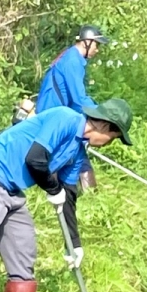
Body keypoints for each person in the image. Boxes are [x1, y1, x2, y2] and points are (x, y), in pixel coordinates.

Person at [0, 98, 132, 292]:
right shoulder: (65, 118)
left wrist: (74, 243)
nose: (109, 144)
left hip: (12, 188)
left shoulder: (78, 151)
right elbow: (35, 158)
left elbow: (68, 195)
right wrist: (53, 188)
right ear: (104, 126)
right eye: (113, 138)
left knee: (24, 248)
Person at [36, 25, 105, 187]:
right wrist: (101, 114)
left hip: (59, 111)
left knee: (76, 147)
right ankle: (55, 188)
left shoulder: (73, 58)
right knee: (67, 149)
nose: (98, 49)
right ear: (86, 42)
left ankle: (89, 193)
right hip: (51, 112)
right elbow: (79, 99)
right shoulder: (72, 61)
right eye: (97, 44)